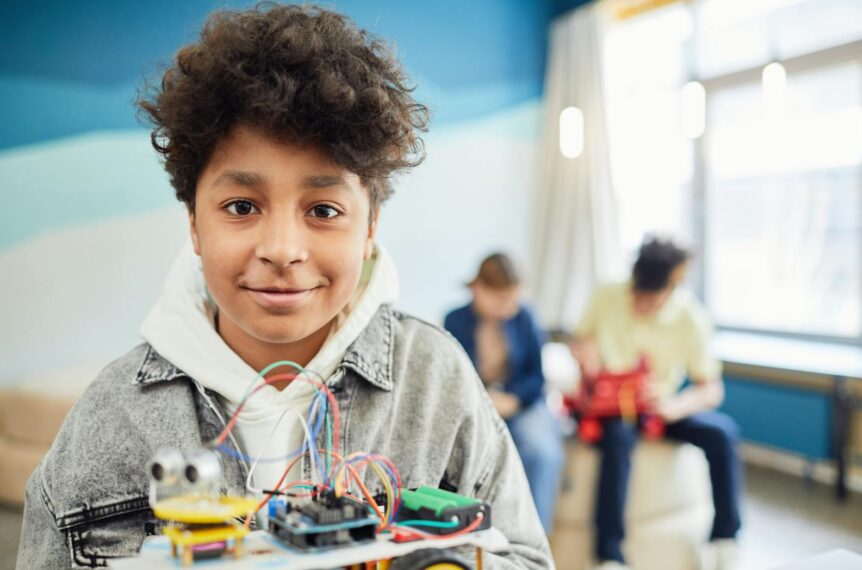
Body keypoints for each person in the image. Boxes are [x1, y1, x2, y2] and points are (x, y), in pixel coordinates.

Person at [16, 6, 554, 568]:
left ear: (370, 229)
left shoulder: (437, 383)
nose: (281, 249)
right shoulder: (110, 419)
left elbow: (522, 556)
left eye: (323, 210)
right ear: (194, 224)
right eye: (241, 206)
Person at [573, 238, 741, 570]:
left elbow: (711, 390)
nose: (642, 304)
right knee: (618, 440)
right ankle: (610, 554)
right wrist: (586, 357)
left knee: (723, 434)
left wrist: (674, 407)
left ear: (671, 287)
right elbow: (579, 340)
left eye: (651, 299)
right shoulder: (607, 295)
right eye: (638, 294)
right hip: (614, 407)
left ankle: (724, 538)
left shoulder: (690, 317)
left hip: (663, 407)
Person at [445, 253, 565, 534]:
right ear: (478, 289)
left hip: (521, 401)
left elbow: (536, 377)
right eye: (501, 300)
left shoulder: (526, 317)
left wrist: (512, 400)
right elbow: (454, 376)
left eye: (513, 298)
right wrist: (484, 400)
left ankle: (533, 539)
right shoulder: (455, 320)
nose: (509, 307)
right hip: (476, 402)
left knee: (540, 450)